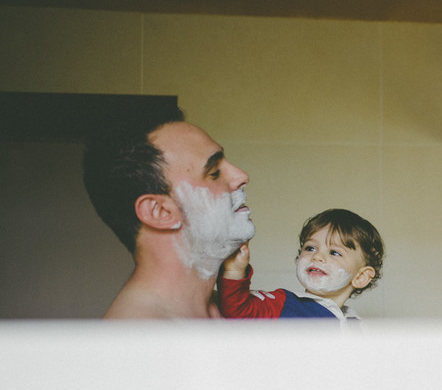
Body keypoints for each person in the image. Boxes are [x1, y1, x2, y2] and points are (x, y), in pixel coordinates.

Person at [83, 109, 256, 319]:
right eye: (214, 173)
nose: (242, 176)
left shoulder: (232, 310)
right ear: (160, 212)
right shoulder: (138, 340)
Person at [217, 208, 384, 323]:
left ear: (361, 277)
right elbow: (237, 311)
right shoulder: (283, 303)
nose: (317, 256)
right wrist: (234, 269)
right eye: (310, 248)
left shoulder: (354, 323)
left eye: (334, 252)